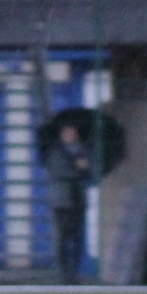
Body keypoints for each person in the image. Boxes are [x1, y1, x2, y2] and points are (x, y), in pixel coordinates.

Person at [45, 121, 95, 285]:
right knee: (61, 238)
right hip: (62, 202)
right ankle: (63, 273)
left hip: (78, 201)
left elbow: (90, 171)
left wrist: (83, 168)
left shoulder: (83, 150)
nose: (71, 136)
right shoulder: (56, 153)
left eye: (73, 133)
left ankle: (73, 272)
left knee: (78, 239)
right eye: (68, 133)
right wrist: (79, 167)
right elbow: (62, 172)